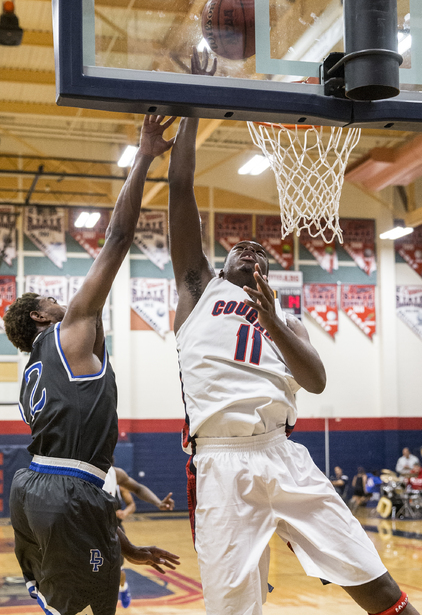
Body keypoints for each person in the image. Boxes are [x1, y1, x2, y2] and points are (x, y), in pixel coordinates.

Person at [166, 47, 420, 615]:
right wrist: (192, 101)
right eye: (238, 246)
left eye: (258, 249)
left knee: (377, 585)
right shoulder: (197, 293)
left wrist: (274, 319)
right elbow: (180, 189)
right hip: (220, 464)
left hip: (282, 454)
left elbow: (319, 380)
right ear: (217, 264)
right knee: (235, 609)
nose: (248, 247)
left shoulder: (287, 319)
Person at [4, 115, 180, 615]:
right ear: (40, 315)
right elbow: (119, 237)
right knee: (98, 607)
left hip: (33, 488)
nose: (63, 299)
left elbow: (84, 474)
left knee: (69, 606)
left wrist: (124, 547)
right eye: (50, 298)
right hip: (67, 492)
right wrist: (144, 155)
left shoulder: (29, 379)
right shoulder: (71, 330)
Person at [103, 463, 175, 608]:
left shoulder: (115, 474)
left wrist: (158, 502)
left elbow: (138, 488)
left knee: (117, 573)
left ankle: (123, 588)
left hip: (114, 530)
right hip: (87, 530)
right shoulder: (78, 471)